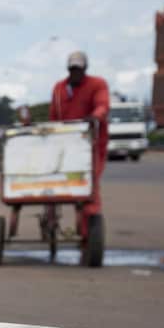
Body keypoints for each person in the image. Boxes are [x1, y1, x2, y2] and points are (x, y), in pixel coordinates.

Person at [49, 51, 108, 241]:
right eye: (72, 69)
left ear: (85, 69)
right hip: (64, 145)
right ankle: (52, 219)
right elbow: (53, 117)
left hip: (89, 146)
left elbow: (102, 105)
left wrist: (95, 117)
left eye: (78, 69)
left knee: (87, 188)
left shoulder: (97, 84)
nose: (75, 73)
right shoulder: (59, 88)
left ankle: (86, 232)